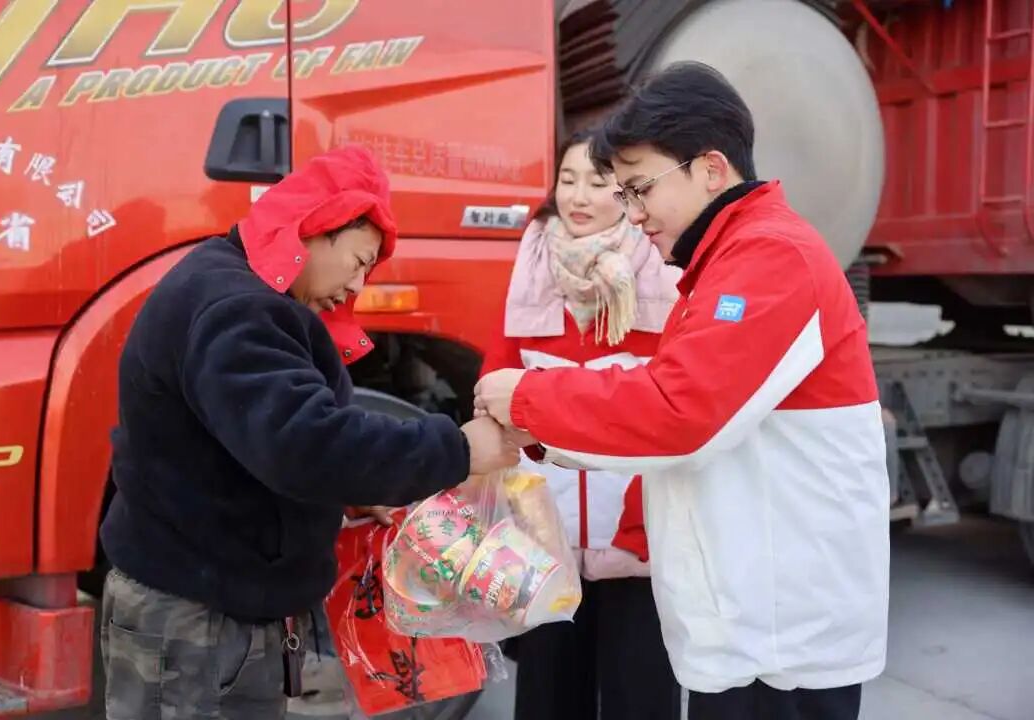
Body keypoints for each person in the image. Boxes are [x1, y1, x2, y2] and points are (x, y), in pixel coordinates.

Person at [475, 61, 890, 720]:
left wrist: (529, 400)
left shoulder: (770, 259)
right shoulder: (726, 261)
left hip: (783, 635)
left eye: (640, 189)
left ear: (712, 170)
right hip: (753, 620)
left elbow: (679, 411)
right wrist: (538, 432)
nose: (634, 213)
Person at [99, 145, 519, 720]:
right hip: (197, 623)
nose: (358, 284)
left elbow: (240, 443)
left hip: (199, 605)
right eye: (359, 260)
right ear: (317, 228)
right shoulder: (238, 310)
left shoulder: (225, 283)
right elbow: (305, 444)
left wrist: (343, 495)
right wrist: (461, 448)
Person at [480, 129, 681, 720]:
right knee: (548, 696)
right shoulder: (531, 264)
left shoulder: (662, 268)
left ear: (630, 193)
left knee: (638, 696)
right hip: (548, 539)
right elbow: (495, 384)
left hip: (636, 536)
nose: (578, 196)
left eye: (598, 182)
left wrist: (645, 520)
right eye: (567, 180)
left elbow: (677, 407)